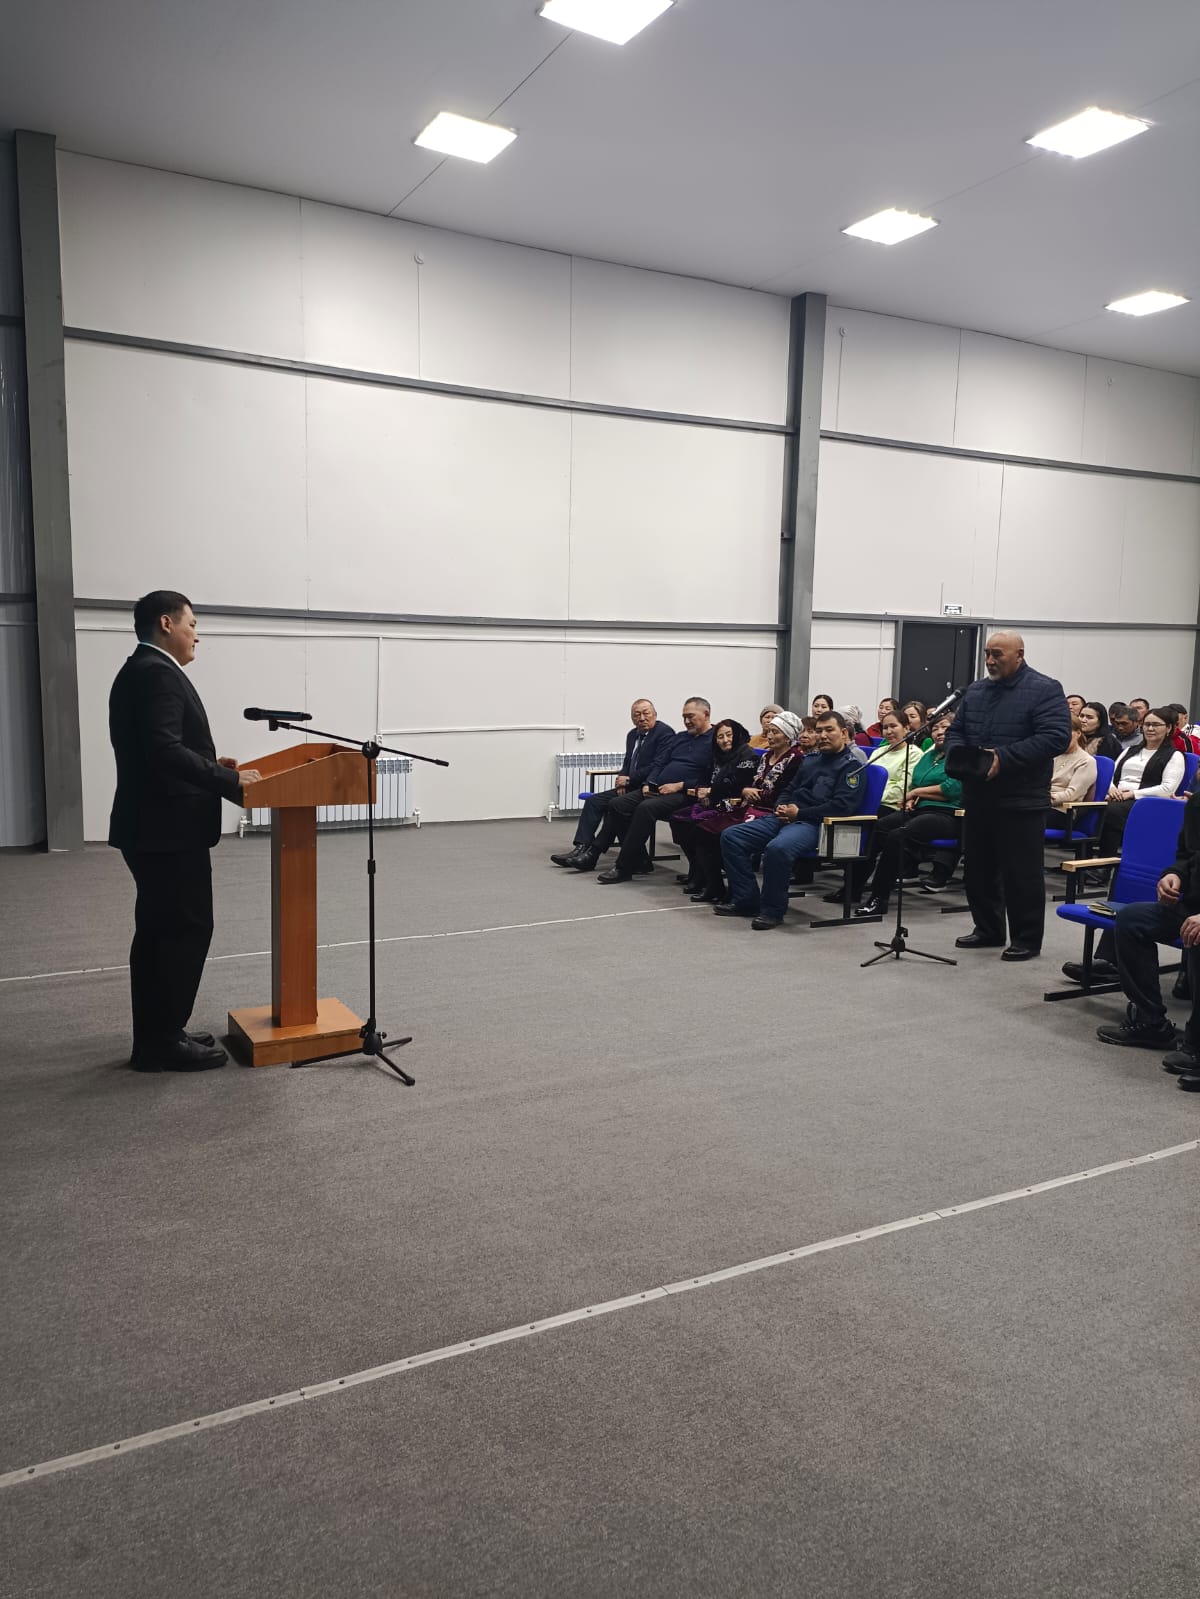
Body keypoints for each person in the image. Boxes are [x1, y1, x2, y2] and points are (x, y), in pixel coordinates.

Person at [109, 591, 260, 1072]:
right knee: (181, 931)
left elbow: (160, 750)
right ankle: (161, 1043)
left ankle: (161, 1032)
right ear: (166, 623)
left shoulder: (141, 669)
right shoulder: (157, 674)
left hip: (155, 827)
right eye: (192, 624)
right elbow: (163, 752)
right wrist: (228, 780)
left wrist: (211, 764)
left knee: (160, 933)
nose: (197, 635)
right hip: (167, 831)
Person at [943, 630, 1070, 961]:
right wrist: (961, 757)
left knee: (1021, 874)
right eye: (987, 653)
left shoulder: (1045, 689)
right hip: (979, 796)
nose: (989, 660)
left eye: (997, 654)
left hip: (1021, 799)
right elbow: (956, 731)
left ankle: (1027, 938)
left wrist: (1003, 758)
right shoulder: (976, 691)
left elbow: (1055, 737)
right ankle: (988, 929)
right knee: (978, 870)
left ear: (1019, 654)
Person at [717, 709, 862, 930]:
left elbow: (842, 807)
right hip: (787, 817)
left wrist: (799, 814)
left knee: (778, 849)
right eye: (819, 731)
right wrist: (781, 806)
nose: (823, 735)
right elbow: (790, 788)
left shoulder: (851, 766)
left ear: (843, 733)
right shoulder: (811, 760)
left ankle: (772, 911)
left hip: (817, 824)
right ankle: (746, 900)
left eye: (829, 730)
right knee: (732, 837)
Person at [1088, 789, 1200, 1063]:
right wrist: (1173, 875)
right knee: (1132, 920)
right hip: (1191, 907)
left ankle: (1195, 1046)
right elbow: (1187, 855)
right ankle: (1151, 1022)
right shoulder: (1197, 803)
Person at [684, 712, 807, 903]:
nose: (770, 736)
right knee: (702, 831)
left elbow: (782, 794)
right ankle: (715, 885)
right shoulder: (766, 756)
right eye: (769, 731)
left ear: (788, 736)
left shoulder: (796, 760)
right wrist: (745, 791)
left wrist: (752, 794)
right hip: (749, 807)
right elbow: (750, 784)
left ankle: (739, 891)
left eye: (776, 732)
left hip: (770, 812)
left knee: (726, 836)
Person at [853, 712, 963, 914]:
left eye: (945, 728)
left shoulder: (960, 755)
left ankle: (879, 897)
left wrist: (915, 793)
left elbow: (952, 789)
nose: (939, 732)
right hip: (921, 809)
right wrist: (912, 798)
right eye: (935, 728)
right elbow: (916, 781)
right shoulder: (930, 755)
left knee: (898, 835)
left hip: (949, 815)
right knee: (879, 827)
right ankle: (853, 888)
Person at [596, 699, 715, 883]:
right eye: (684, 717)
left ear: (706, 715)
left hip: (687, 793)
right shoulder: (681, 737)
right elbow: (661, 762)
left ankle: (623, 867)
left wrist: (680, 785)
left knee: (646, 808)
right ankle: (640, 859)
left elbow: (711, 774)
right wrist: (650, 782)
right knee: (617, 804)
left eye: (691, 716)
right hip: (661, 788)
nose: (686, 721)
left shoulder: (715, 740)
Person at [551, 699, 673, 870]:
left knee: (615, 807)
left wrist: (629, 779)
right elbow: (628, 761)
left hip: (648, 787)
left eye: (646, 713)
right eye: (637, 715)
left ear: (655, 714)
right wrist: (622, 778)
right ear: (631, 718)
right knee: (594, 801)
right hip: (630, 786)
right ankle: (581, 847)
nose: (642, 718)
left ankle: (593, 854)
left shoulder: (664, 733)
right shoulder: (632, 735)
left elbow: (658, 765)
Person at [825, 708, 921, 902]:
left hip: (891, 806)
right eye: (885, 727)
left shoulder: (914, 754)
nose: (889, 731)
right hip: (870, 803)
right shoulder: (879, 752)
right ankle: (850, 884)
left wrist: (874, 797)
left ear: (906, 728)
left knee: (870, 834)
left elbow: (902, 788)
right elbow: (865, 781)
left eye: (894, 726)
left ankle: (854, 888)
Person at [670, 719, 756, 892]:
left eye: (729, 735)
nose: (725, 740)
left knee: (699, 830)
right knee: (678, 820)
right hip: (713, 802)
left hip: (733, 806)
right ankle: (697, 868)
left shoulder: (747, 755)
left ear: (737, 735)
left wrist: (711, 791)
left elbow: (736, 784)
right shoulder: (716, 755)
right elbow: (704, 778)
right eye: (720, 737)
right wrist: (701, 790)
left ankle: (707, 879)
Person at [1091, 707, 1185, 864]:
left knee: (1111, 811)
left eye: (1156, 725)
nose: (1150, 729)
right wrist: (1112, 789)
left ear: (1168, 728)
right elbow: (1110, 775)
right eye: (1147, 724)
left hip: (1146, 802)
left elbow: (1167, 789)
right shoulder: (1130, 750)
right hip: (1116, 797)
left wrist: (1132, 794)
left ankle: (1104, 865)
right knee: (1089, 806)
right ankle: (1085, 860)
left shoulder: (1174, 756)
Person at [1046, 717, 1098, 836]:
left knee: (1021, 819)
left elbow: (1071, 795)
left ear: (1078, 733)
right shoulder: (1053, 754)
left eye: (1067, 732)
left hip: (1062, 812)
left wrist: (1042, 799)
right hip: (1041, 804)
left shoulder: (1086, 761)